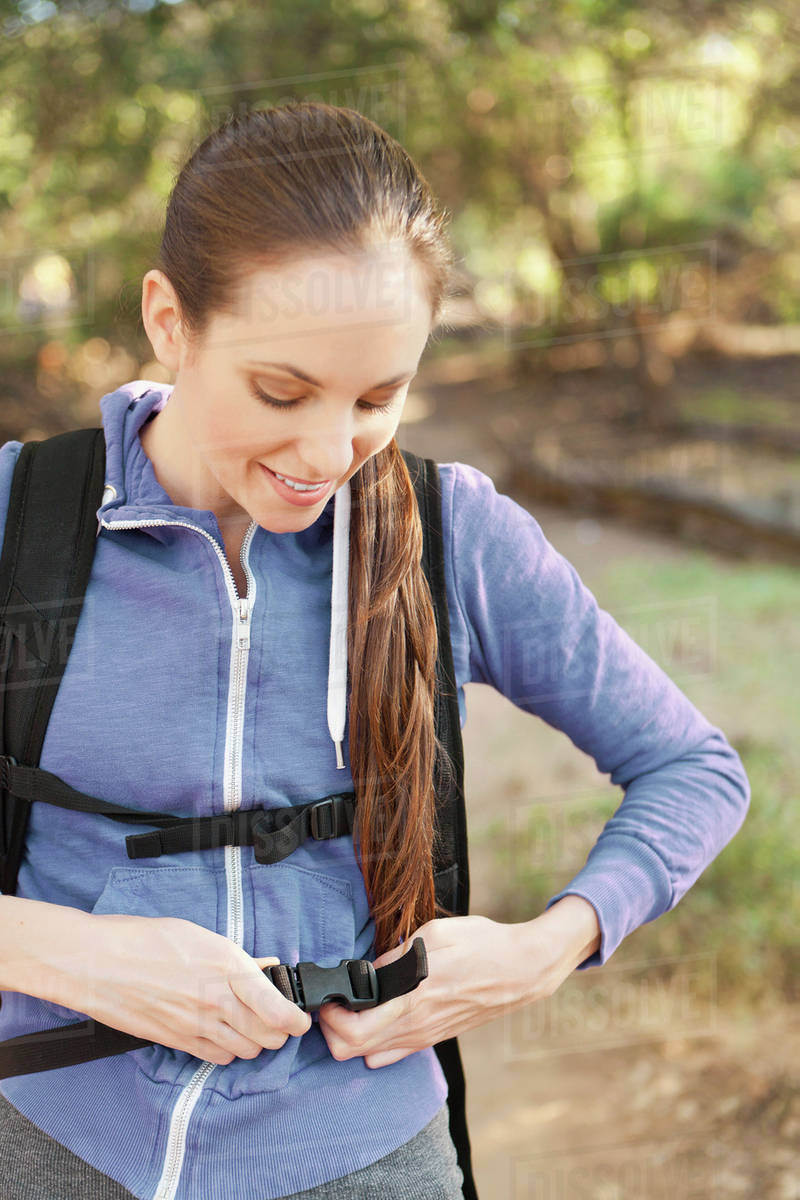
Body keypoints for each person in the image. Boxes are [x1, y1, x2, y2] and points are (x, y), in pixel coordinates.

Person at [0, 102, 750, 1200]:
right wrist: (62, 953)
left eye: (375, 398)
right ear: (169, 319)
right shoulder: (20, 517)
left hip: (363, 1161)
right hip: (49, 1144)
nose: (322, 452)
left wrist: (544, 947)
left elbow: (694, 768)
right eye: (279, 390)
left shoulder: (458, 537)